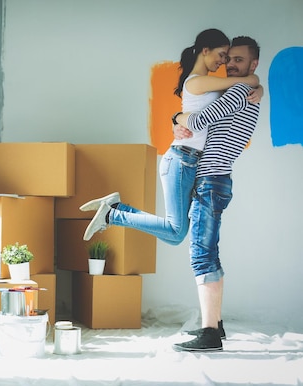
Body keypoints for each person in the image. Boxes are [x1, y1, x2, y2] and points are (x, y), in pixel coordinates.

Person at [81, 29, 260, 243]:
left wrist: (258, 86)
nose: (224, 62)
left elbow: (234, 90)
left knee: (176, 233)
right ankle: (113, 214)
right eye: (222, 55)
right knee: (176, 233)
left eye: (229, 58)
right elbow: (238, 84)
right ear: (205, 51)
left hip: (188, 161)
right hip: (181, 159)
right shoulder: (196, 81)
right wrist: (255, 81)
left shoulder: (208, 83)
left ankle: (115, 209)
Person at [171, 36, 261, 352]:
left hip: (210, 181)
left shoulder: (237, 91)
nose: (231, 64)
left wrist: (176, 118)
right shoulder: (248, 91)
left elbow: (197, 121)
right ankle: (216, 326)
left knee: (202, 255)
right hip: (218, 180)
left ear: (253, 64)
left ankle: (209, 333)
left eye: (239, 60)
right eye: (230, 58)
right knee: (210, 253)